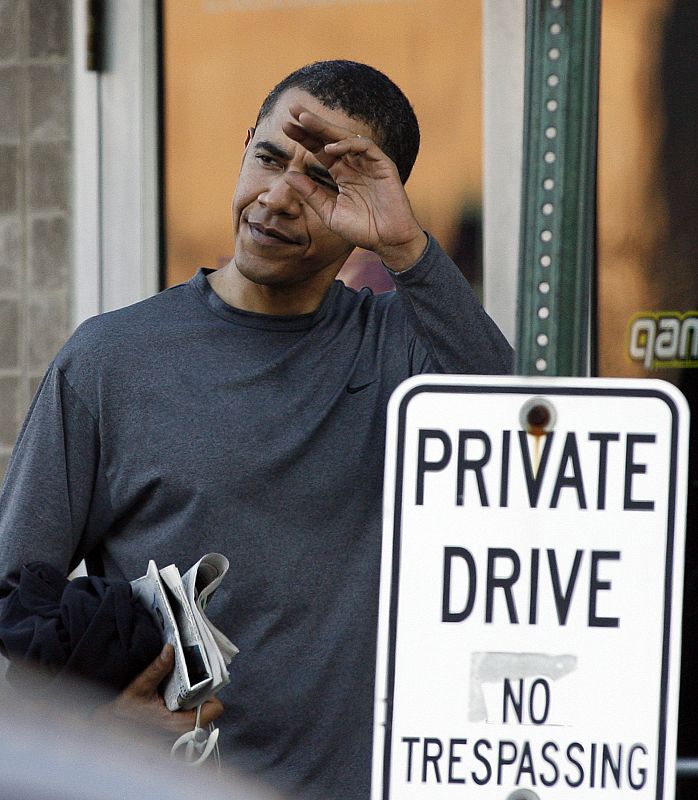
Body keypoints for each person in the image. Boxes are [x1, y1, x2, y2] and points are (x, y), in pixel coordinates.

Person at [0, 61, 512, 799]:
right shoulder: (110, 361)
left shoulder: (399, 350)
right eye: (269, 158)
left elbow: (513, 428)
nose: (276, 196)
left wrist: (405, 247)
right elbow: (13, 600)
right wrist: (96, 727)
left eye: (323, 182)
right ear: (245, 149)